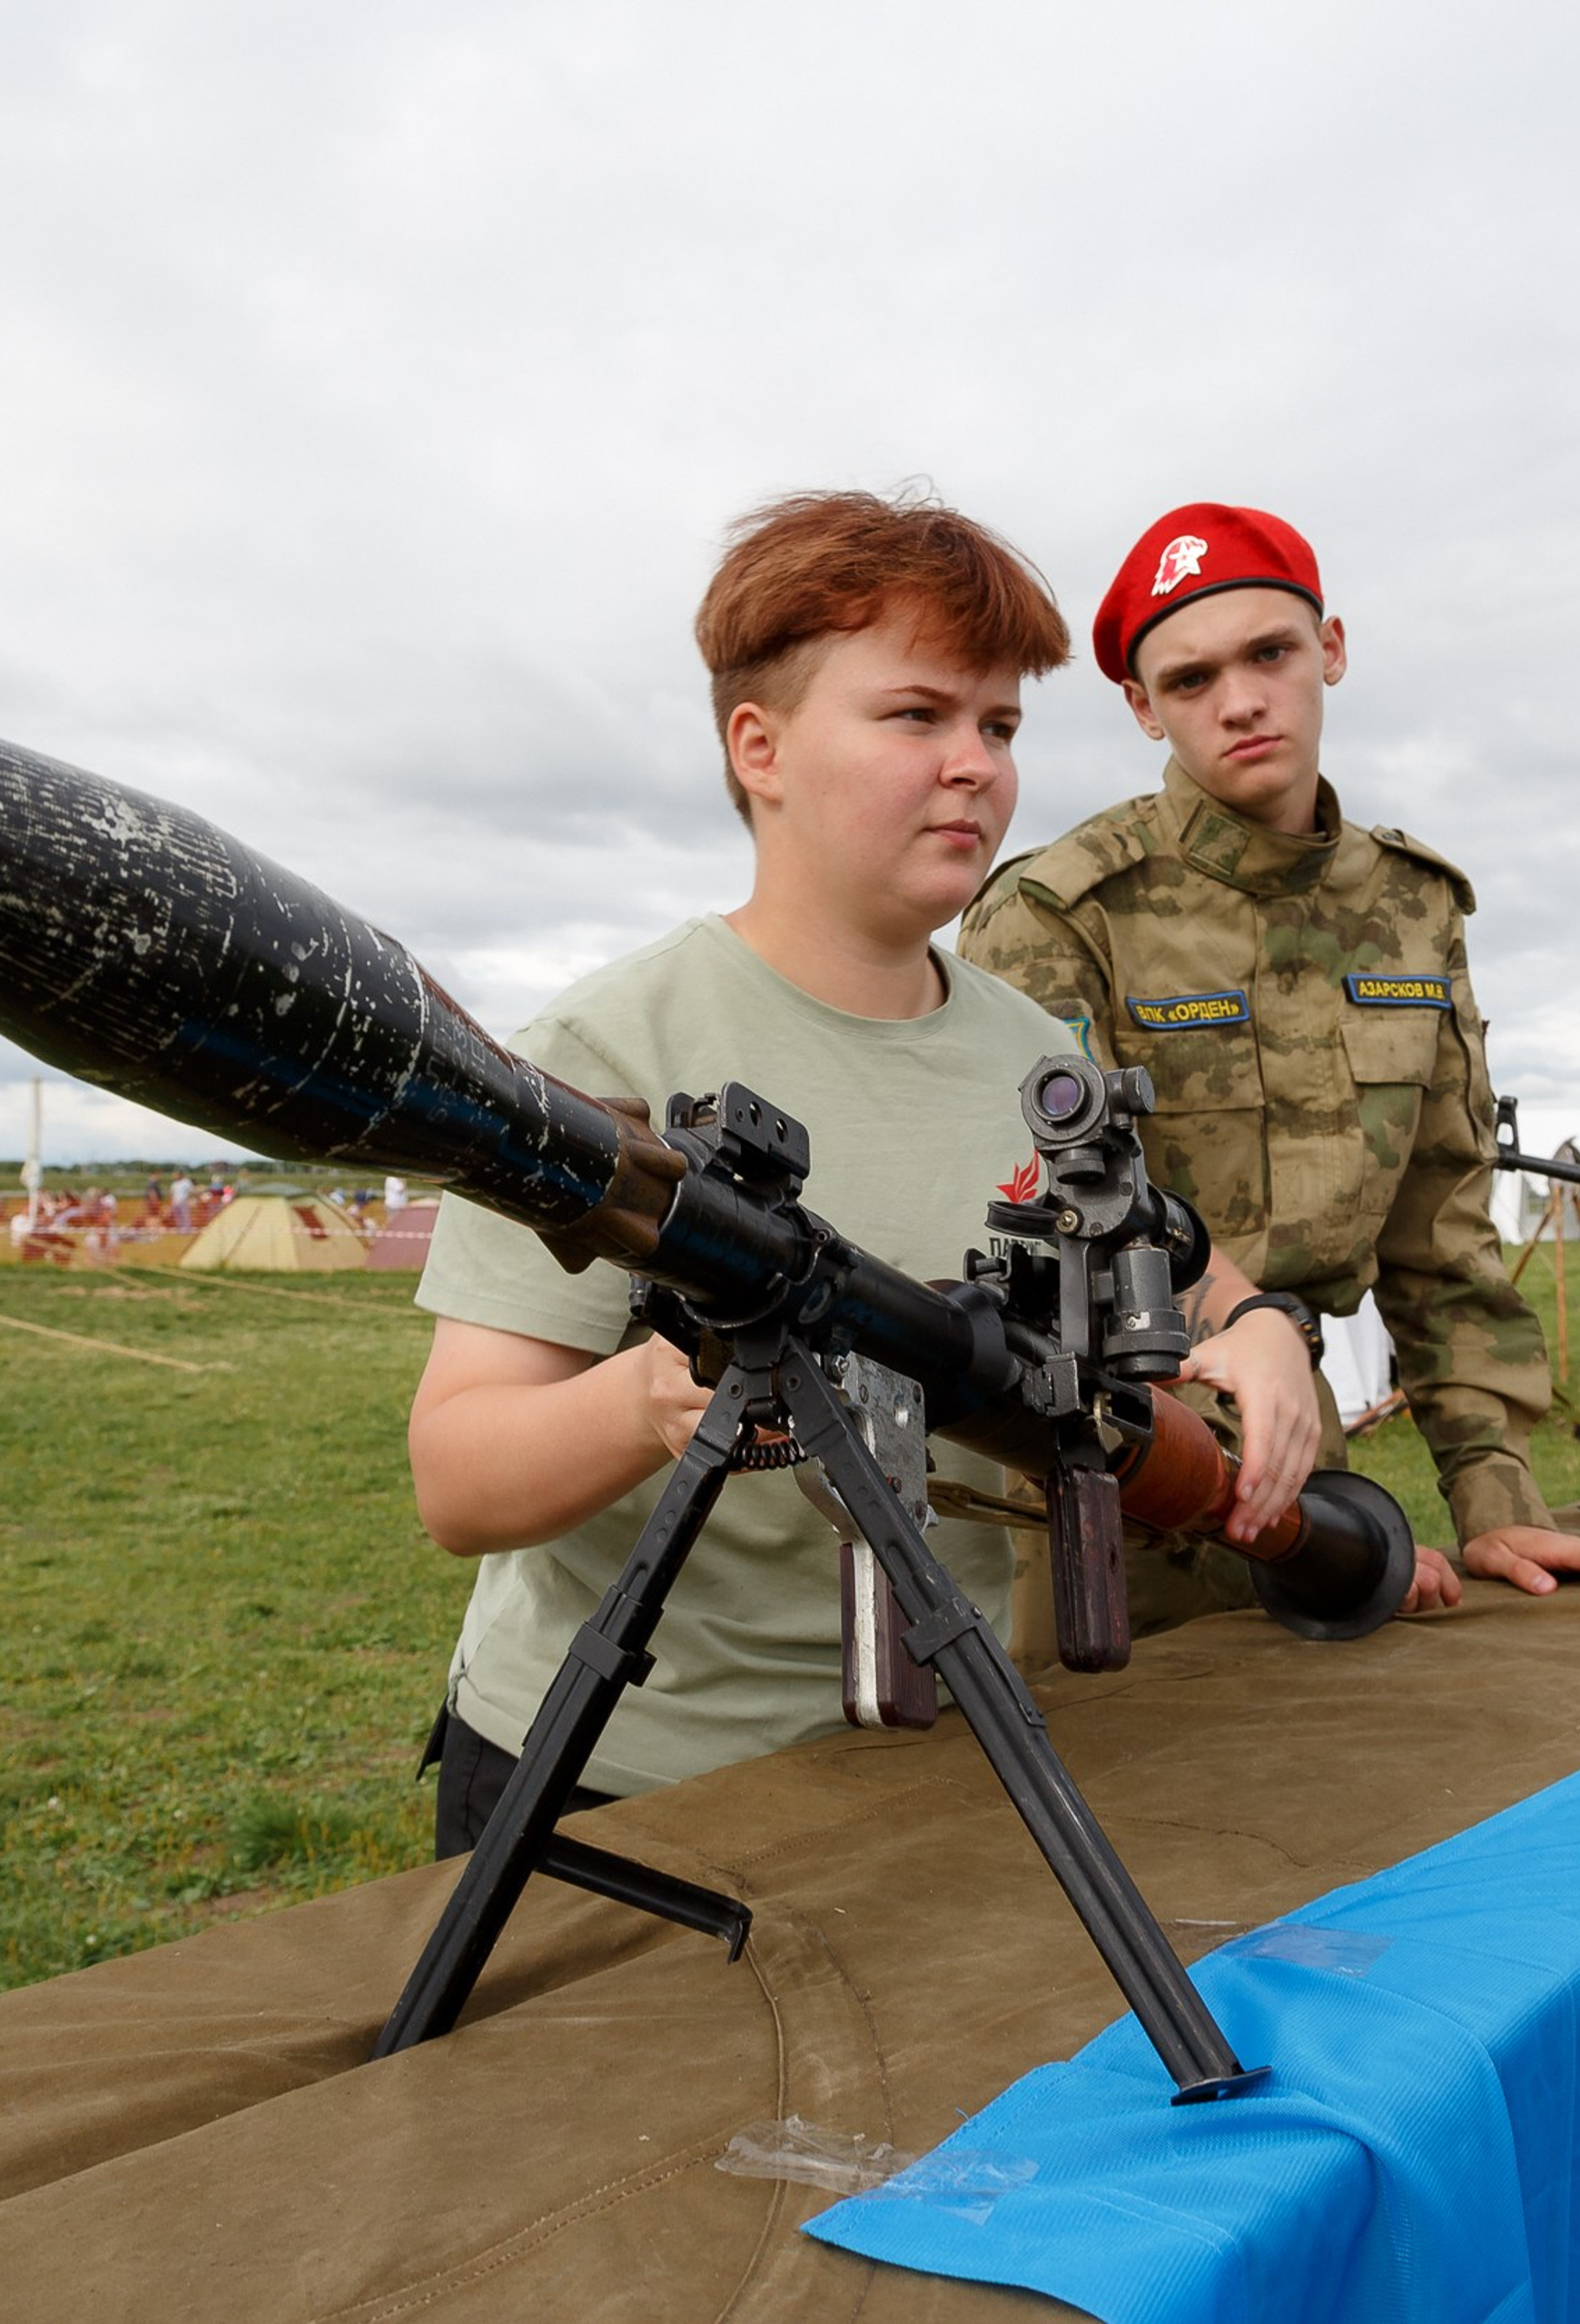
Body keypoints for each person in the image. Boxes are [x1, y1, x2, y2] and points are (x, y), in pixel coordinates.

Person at [409, 488, 1321, 1853]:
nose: (976, 766)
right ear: (760, 746)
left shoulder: (1037, 1056)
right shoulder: (604, 1052)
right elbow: (459, 1480)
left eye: (998, 726)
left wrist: (1258, 1329)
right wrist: (658, 1395)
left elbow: (1160, 1251)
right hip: (619, 1783)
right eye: (916, 715)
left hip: (947, 1758)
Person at [960, 502, 1580, 1610]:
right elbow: (1058, 1222)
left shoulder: (1413, 907)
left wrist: (1498, 1501)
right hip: (1118, 1469)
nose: (1239, 701)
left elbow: (1443, 1230)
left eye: (1270, 654)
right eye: (1190, 679)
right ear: (1141, 707)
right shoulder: (1061, 913)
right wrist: (1298, 1509)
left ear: (1329, 649)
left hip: (1311, 1460)